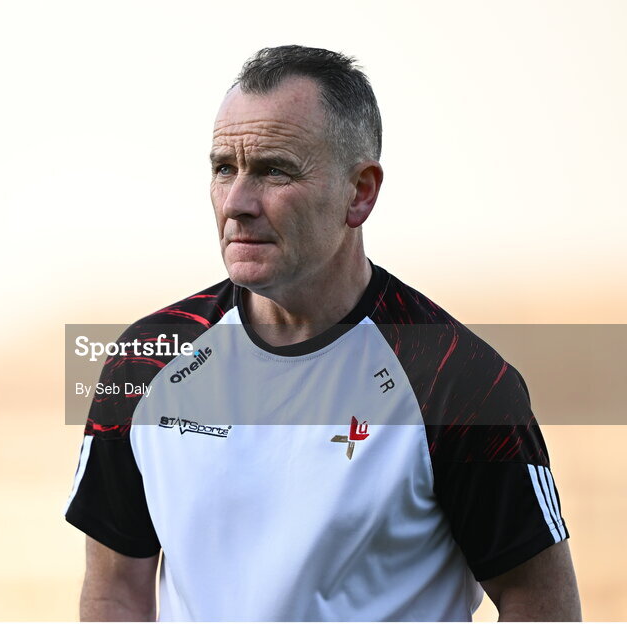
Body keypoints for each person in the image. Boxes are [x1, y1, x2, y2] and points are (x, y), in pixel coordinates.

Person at [63, 45, 581, 621]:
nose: (237, 202)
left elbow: (538, 598)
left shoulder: (458, 382)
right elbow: (115, 590)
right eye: (223, 168)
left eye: (274, 170)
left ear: (360, 192)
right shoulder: (146, 362)